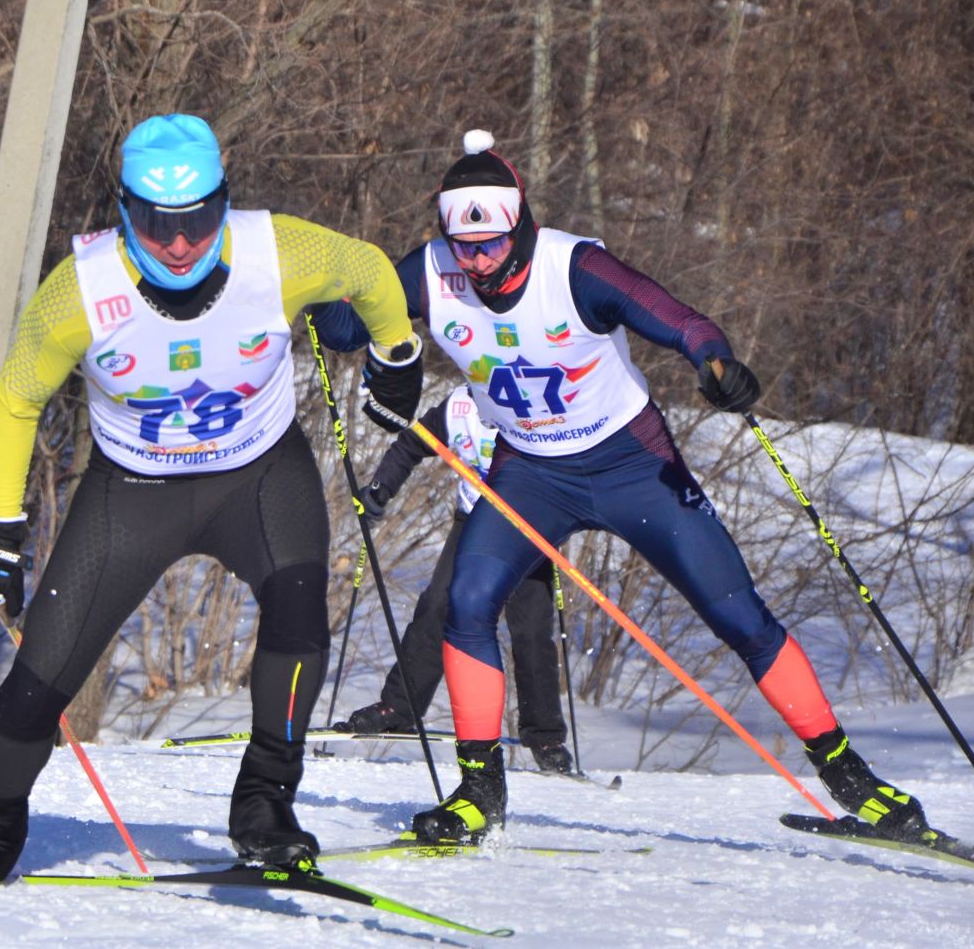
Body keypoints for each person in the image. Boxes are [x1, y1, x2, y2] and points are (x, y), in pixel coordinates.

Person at [311, 129, 928, 845]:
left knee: (739, 617)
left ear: (522, 225)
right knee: (468, 603)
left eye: (491, 245)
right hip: (532, 471)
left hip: (631, 465)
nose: (477, 262)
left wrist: (715, 364)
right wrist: (325, 295)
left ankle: (853, 780)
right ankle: (479, 791)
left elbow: (678, 320)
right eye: (464, 246)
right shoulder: (434, 269)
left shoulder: (574, 268)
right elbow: (351, 325)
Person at [0, 113, 424, 887]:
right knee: (35, 684)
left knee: (301, 619)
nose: (178, 243)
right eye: (155, 222)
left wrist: (397, 354)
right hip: (132, 491)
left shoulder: (280, 252)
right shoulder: (80, 291)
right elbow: (14, 398)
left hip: (260, 475)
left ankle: (265, 802)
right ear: (124, 210)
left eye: (199, 219)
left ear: (224, 202)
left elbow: (372, 272)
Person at [333, 385, 573, 777]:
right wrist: (380, 491)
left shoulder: (541, 408)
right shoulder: (458, 406)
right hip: (473, 525)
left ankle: (544, 736)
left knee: (530, 629)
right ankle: (399, 707)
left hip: (528, 529)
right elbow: (410, 444)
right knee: (437, 607)